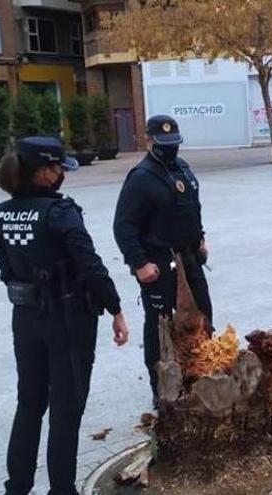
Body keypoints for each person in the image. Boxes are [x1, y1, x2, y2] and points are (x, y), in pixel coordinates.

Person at [0, 136, 129, 495]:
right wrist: (115, 307)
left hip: (25, 318)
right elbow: (91, 266)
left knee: (29, 403)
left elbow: (6, 271)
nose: (61, 175)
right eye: (58, 168)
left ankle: (17, 486)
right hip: (66, 321)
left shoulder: (2, 214)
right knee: (65, 411)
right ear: (44, 172)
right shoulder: (60, 213)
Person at [113, 115, 212, 403]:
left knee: (202, 315)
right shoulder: (141, 177)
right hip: (158, 264)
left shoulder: (182, 168)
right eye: (163, 143)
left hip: (190, 257)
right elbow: (123, 226)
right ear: (149, 141)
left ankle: (201, 378)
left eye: (175, 143)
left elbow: (193, 207)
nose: (170, 149)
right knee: (160, 326)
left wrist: (201, 237)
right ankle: (163, 391)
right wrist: (139, 263)